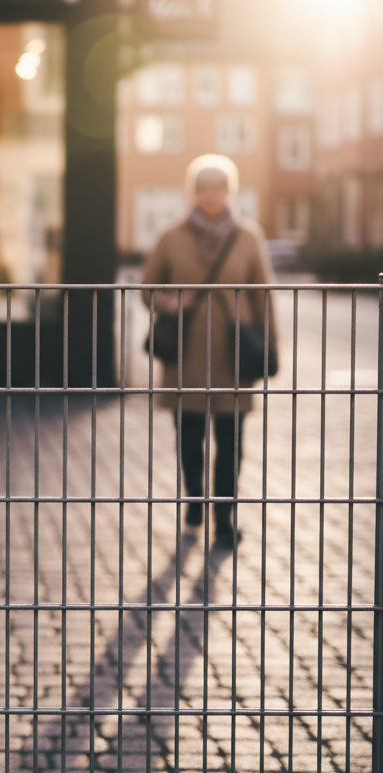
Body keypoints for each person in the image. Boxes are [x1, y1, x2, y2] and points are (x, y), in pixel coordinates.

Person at [141, 154, 276, 547]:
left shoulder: (249, 237)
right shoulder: (171, 236)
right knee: (189, 436)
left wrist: (270, 347)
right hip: (187, 354)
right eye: (203, 187)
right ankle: (195, 499)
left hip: (235, 354)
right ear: (193, 191)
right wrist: (167, 302)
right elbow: (146, 287)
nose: (211, 195)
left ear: (229, 191)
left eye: (218, 187)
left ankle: (224, 516)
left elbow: (265, 296)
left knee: (232, 440)